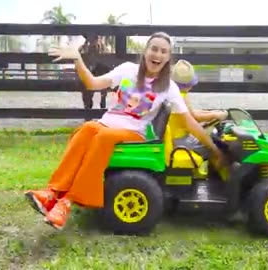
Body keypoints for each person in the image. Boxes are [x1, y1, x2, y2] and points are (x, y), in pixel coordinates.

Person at [24, 32, 227, 230]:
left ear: (167, 58)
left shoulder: (169, 87)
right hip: (108, 123)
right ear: (145, 51)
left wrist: (213, 149)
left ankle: (67, 202)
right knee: (86, 129)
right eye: (154, 49)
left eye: (163, 51)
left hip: (134, 133)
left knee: (103, 137)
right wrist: (77, 59)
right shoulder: (127, 70)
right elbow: (92, 83)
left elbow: (190, 122)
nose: (157, 55)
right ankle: (51, 193)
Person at [169, 59, 228, 159]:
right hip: (180, 140)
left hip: (176, 136)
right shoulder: (181, 97)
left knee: (210, 134)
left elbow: (190, 113)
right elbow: (195, 117)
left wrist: (211, 112)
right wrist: (215, 115)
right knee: (211, 147)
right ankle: (215, 170)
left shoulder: (176, 93)